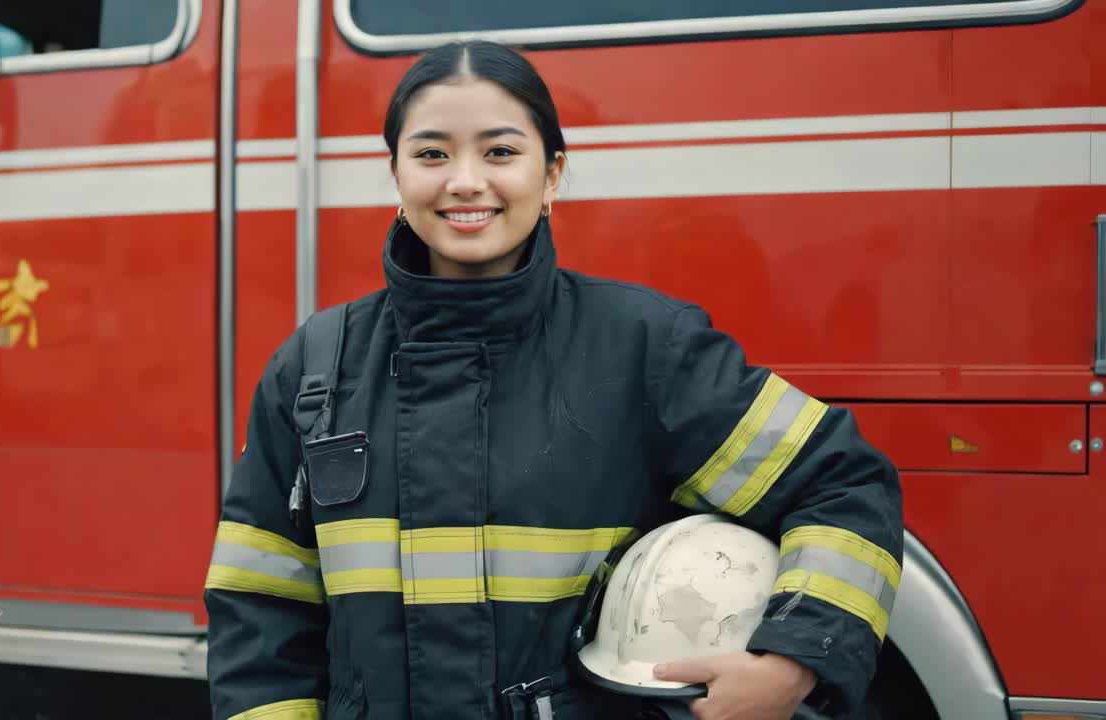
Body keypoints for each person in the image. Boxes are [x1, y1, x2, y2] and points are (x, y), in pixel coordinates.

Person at [205, 40, 903, 720]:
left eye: (501, 151)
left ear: (552, 174)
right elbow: (259, 608)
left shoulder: (645, 347)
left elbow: (840, 484)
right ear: (396, 174)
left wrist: (793, 661)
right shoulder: (315, 365)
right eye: (431, 153)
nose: (466, 180)